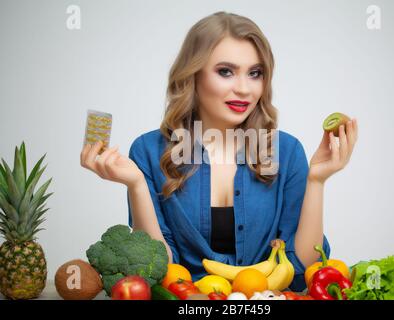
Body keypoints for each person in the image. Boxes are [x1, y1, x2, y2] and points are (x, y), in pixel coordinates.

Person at [80, 11, 358, 291]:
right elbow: (160, 269)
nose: (244, 89)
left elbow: (302, 269)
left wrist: (317, 180)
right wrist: (136, 185)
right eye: (226, 71)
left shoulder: (286, 151)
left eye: (255, 73)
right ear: (193, 74)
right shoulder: (149, 151)